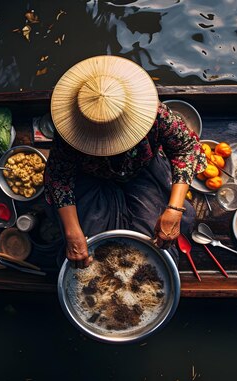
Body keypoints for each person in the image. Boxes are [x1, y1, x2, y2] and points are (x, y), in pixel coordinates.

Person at [44, 55, 206, 268]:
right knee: (89, 245)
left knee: (153, 241)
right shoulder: (71, 129)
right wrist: (72, 232)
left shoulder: (155, 114)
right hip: (92, 177)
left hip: (142, 172)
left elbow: (185, 150)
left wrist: (174, 209)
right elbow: (59, 177)